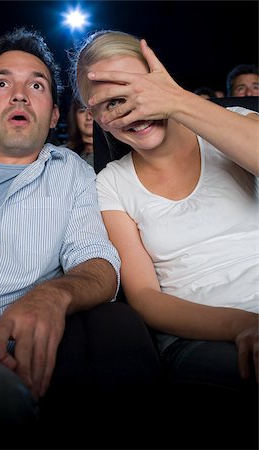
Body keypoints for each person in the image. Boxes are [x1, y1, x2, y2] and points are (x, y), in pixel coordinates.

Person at [0, 27, 163, 449]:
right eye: (2, 83)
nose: (19, 95)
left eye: (36, 85)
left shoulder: (72, 172)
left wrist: (55, 295)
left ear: (54, 115)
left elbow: (99, 264)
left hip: (13, 356)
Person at [71, 29, 259, 448]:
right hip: (204, 334)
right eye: (112, 103)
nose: (133, 111)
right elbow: (145, 297)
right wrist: (244, 325)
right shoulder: (110, 185)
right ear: (96, 118)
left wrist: (177, 100)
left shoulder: (234, 128)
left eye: (138, 90)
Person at [66, 97, 94, 166]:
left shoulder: (117, 156)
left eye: (93, 110)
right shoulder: (63, 154)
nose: (88, 117)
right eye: (82, 110)